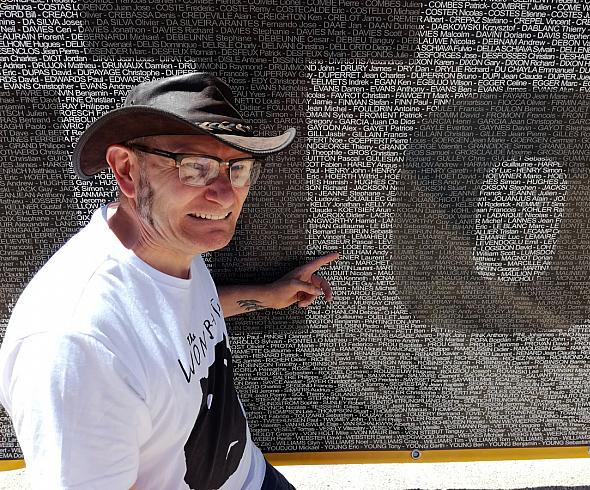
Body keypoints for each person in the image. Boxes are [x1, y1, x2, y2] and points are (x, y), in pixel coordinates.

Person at [0, 72, 338, 489]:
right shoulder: (77, 348)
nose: (226, 194)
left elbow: (172, 320)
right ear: (126, 170)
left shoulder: (171, 247)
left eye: (239, 168)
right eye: (195, 168)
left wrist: (265, 296)